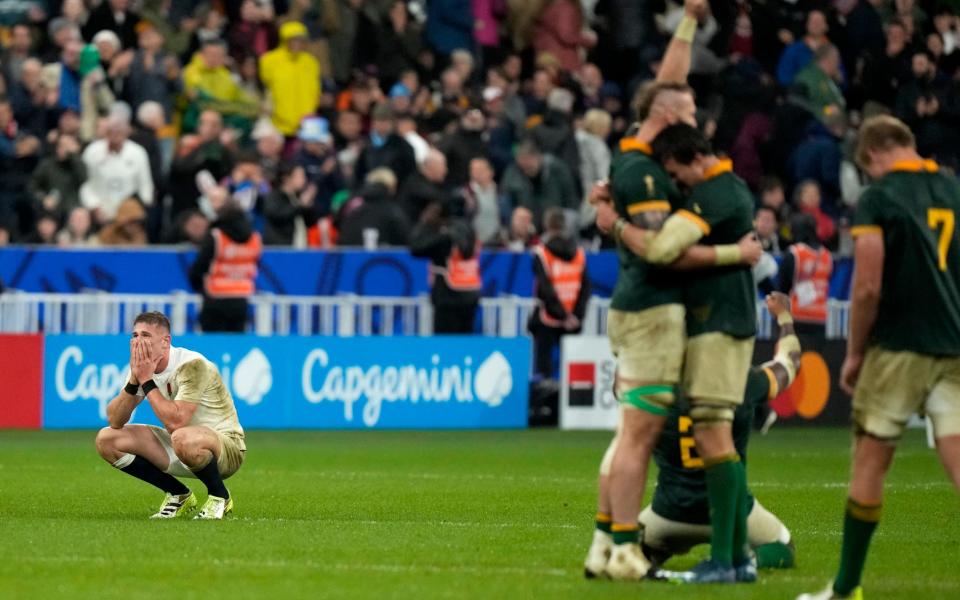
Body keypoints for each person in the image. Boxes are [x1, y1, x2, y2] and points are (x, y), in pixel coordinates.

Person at [582, 0, 752, 581]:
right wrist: (737, 253)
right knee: (641, 431)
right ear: (665, 111)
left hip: (643, 305)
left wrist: (688, 19)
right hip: (652, 308)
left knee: (632, 431)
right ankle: (626, 547)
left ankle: (606, 544)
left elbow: (670, 76)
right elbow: (662, 250)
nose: (694, 105)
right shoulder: (645, 171)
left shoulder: (643, 155)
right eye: (685, 102)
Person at [797, 116, 960, 600]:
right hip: (954, 341)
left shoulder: (879, 197)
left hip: (898, 347)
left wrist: (854, 353)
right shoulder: (953, 189)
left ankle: (846, 589)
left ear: (871, 156)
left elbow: (867, 285)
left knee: (870, 464)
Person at [592, 292, 798, 575]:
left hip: (669, 512)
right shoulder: (739, 378)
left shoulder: (651, 383)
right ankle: (748, 561)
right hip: (733, 514)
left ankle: (642, 554)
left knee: (634, 545)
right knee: (783, 545)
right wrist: (785, 318)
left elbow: (621, 379)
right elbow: (790, 363)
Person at [94, 311, 246, 520]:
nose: (138, 342)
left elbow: (177, 421)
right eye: (134, 335)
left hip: (225, 448)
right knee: (107, 439)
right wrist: (134, 381)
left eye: (145, 335)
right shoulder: (143, 368)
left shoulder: (192, 365)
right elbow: (115, 420)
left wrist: (146, 380)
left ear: (165, 342)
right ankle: (178, 494)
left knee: (181, 436)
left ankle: (219, 495)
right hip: (181, 443)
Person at [529, 208, 590, 379]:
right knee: (571, 369)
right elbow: (586, 288)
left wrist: (563, 315)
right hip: (573, 320)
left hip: (548, 318)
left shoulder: (541, 254)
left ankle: (545, 404)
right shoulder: (579, 253)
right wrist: (576, 316)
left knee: (543, 368)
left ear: (546, 226)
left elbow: (545, 289)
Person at [411, 199, 482, 334]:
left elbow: (416, 248)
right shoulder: (471, 231)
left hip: (447, 297)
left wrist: (425, 223)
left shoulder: (446, 235)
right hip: (471, 291)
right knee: (466, 344)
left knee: (446, 346)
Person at [189, 201, 261, 333]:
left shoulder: (216, 236)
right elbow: (256, 264)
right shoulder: (254, 238)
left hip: (215, 298)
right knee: (235, 346)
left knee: (211, 347)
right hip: (241, 298)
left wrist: (199, 288)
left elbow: (199, 267)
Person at [79, 113, 153, 226]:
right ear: (106, 132)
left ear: (127, 132)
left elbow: (145, 186)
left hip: (129, 213)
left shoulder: (138, 152)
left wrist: (139, 209)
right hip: (99, 210)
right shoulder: (92, 151)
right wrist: (93, 206)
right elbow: (85, 183)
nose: (115, 135)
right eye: (111, 131)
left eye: (119, 131)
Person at [259, 21, 320, 137]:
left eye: (301, 40)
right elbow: (263, 88)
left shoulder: (311, 62)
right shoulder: (269, 61)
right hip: (276, 123)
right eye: (293, 39)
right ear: (284, 40)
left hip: (306, 124)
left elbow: (315, 91)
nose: (297, 43)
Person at [779, 214, 833, 331]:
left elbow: (783, 287)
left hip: (796, 317)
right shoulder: (827, 256)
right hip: (820, 318)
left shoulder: (794, 253)